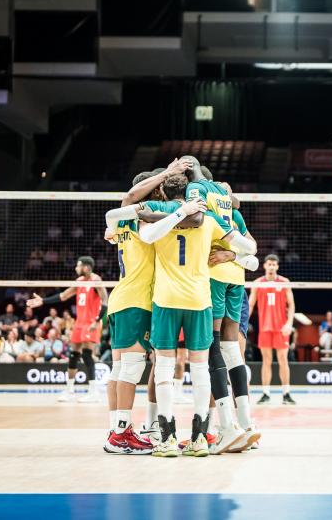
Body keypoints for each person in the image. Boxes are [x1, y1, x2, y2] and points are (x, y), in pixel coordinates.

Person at [137, 173, 255, 457]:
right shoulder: (210, 219)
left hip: (166, 299)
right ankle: (200, 438)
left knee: (165, 367)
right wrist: (231, 254)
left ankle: (166, 438)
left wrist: (178, 213)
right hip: (199, 299)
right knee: (200, 368)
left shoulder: (157, 212)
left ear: (163, 191)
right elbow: (250, 249)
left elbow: (147, 235)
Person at [100, 168, 189, 455]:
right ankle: (121, 434)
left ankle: (117, 429)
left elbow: (114, 228)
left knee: (121, 369)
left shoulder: (122, 223)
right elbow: (129, 199)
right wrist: (168, 175)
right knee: (133, 368)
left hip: (122, 299)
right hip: (136, 300)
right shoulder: (136, 214)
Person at [182, 159, 261, 450]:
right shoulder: (230, 211)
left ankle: (229, 426)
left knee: (213, 347)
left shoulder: (201, 202)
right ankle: (246, 424)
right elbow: (251, 251)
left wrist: (228, 255)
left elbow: (252, 253)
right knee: (231, 351)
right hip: (235, 280)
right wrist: (234, 254)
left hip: (215, 278)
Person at [27, 257, 108, 403]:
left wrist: (97, 321)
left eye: (79, 266)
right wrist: (43, 301)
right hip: (79, 322)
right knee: (73, 355)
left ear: (87, 267)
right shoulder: (79, 282)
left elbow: (106, 302)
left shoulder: (96, 280)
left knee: (87, 355)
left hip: (91, 322)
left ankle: (93, 391)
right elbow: (63, 296)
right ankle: (70, 390)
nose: (76, 268)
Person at [250, 254, 296, 405]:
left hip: (281, 328)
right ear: (264, 266)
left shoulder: (284, 282)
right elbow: (250, 305)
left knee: (283, 360)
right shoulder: (258, 283)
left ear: (277, 266)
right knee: (266, 361)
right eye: (269, 264)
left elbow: (291, 305)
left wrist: (289, 323)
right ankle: (265, 393)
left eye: (273, 264)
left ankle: (286, 393)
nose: (271, 267)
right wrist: (243, 322)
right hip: (264, 328)